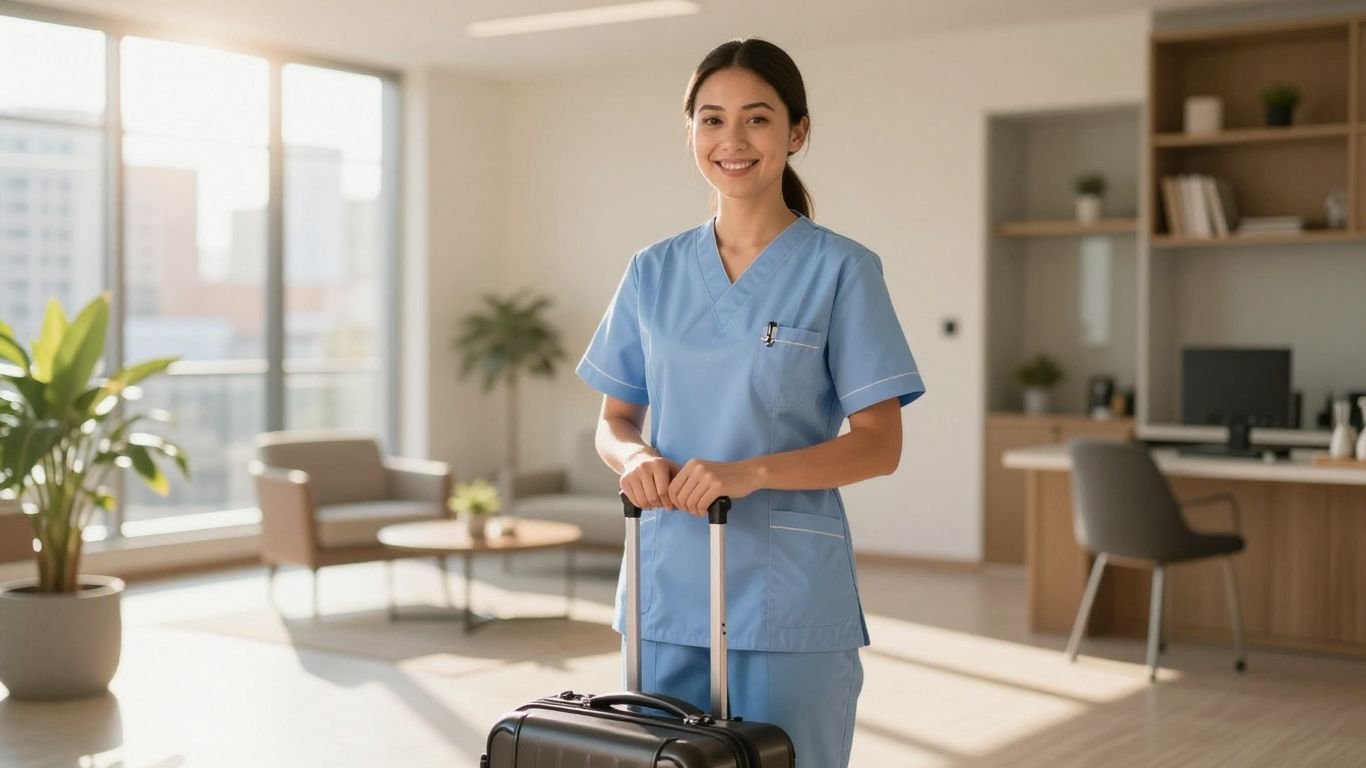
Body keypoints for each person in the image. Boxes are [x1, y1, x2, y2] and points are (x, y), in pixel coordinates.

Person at [575, 37, 925, 768]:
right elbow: (613, 420)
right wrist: (634, 456)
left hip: (787, 597)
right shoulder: (652, 271)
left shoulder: (842, 270)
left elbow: (878, 445)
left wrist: (748, 474)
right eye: (711, 120)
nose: (732, 141)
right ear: (692, 134)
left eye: (757, 119)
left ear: (796, 132)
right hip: (664, 588)